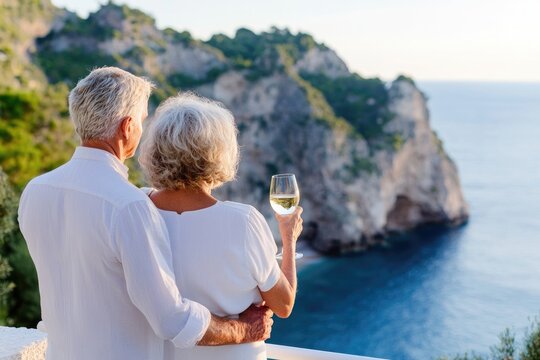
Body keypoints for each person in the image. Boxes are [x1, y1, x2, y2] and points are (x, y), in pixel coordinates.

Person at [17, 67, 273, 360]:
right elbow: (171, 319)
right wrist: (244, 330)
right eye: (141, 120)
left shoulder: (35, 191)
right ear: (127, 127)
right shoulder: (128, 206)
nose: (142, 129)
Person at [138, 93, 303, 360]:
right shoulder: (243, 221)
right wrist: (289, 238)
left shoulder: (136, 210)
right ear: (219, 153)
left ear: (155, 150)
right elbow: (283, 305)